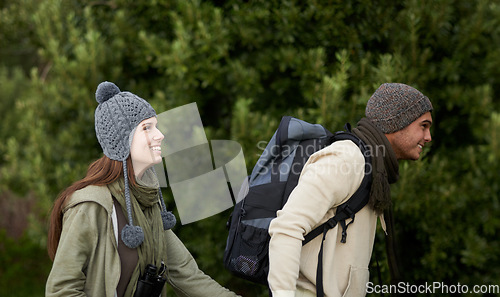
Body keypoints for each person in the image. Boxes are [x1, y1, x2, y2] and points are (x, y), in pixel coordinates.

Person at [46, 81, 240, 297]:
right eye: (147, 128)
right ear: (122, 141)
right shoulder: (92, 205)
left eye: (156, 126)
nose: (160, 135)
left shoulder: (148, 201)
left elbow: (188, 275)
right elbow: (61, 291)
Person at [267, 83, 433, 297]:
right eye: (424, 126)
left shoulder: (374, 167)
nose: (428, 137)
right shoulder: (346, 159)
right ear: (396, 122)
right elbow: (286, 228)